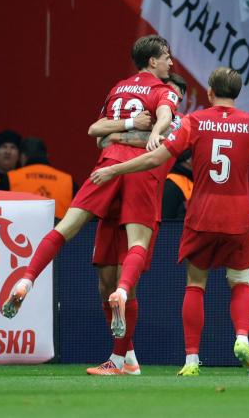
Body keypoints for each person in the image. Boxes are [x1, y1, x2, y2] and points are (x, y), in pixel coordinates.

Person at [90, 67, 249, 376]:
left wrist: (115, 169)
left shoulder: (194, 121)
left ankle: (191, 360)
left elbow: (156, 157)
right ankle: (243, 339)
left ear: (209, 92)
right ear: (238, 92)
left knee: (196, 285)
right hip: (238, 217)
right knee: (241, 282)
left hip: (202, 214)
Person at [1, 35, 179, 346]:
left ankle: (27, 278)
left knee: (66, 228)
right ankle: (121, 293)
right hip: (140, 171)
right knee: (136, 247)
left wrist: (120, 132)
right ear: (152, 61)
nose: (171, 62)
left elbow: (99, 134)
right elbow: (162, 119)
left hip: (105, 165)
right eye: (166, 57)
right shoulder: (164, 92)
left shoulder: (118, 89)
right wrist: (154, 131)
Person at [85, 73, 187, 376]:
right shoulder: (140, 116)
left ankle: (119, 359)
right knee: (105, 284)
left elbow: (147, 150)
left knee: (124, 284)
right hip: (114, 197)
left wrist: (116, 136)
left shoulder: (179, 124)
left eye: (174, 96)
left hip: (142, 200)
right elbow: (98, 137)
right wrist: (125, 132)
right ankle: (128, 357)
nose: (167, 99)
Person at [7, 137, 75, 219]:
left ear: (23, 156)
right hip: (59, 230)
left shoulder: (11, 177)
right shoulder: (67, 180)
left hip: (22, 229)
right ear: (46, 156)